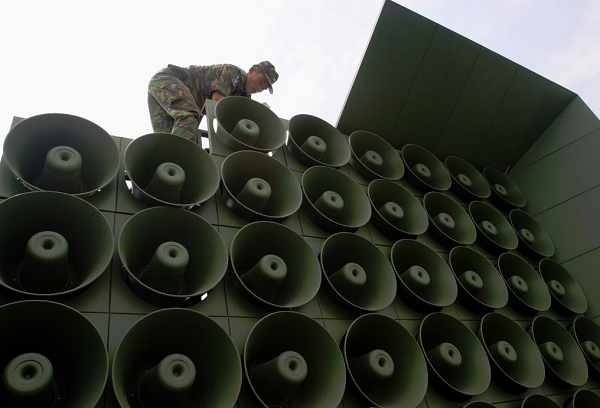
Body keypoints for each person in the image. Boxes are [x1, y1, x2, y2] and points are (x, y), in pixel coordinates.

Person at [147, 61, 278, 143]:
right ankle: (179, 160)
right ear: (252, 70)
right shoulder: (233, 73)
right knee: (188, 118)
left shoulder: (243, 98)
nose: (260, 89)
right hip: (167, 81)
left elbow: (234, 124)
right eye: (261, 82)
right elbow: (217, 102)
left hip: (177, 98)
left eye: (264, 88)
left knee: (168, 140)